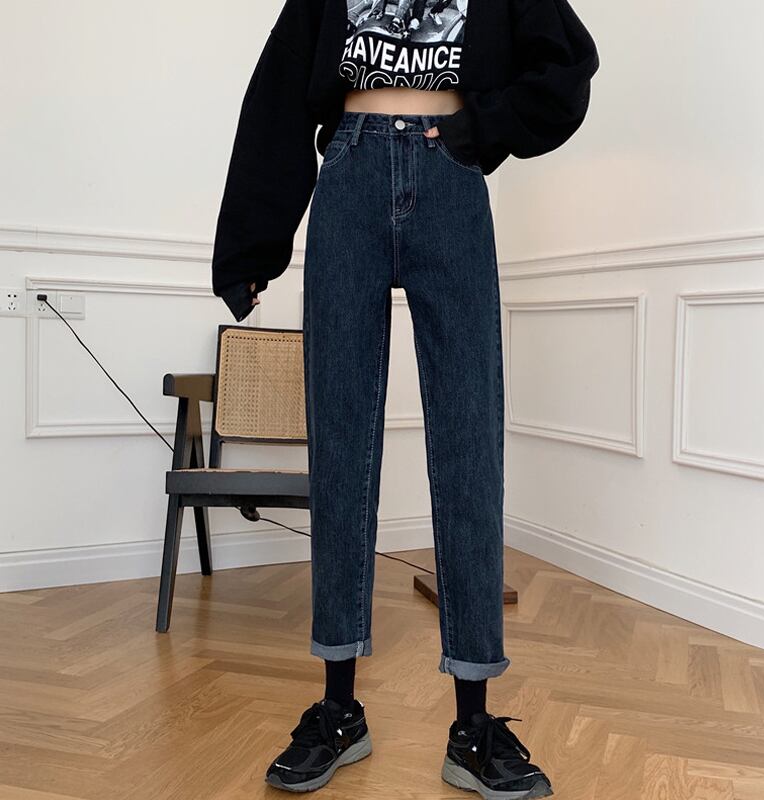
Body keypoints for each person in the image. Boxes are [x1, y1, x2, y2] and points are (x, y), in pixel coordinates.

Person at [211, 0, 599, 796]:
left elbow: (565, 64)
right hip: (349, 172)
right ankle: (338, 710)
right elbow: (280, 90)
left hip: (450, 176)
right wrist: (251, 246)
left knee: (469, 442)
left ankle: (474, 725)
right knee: (341, 444)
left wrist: (480, 129)